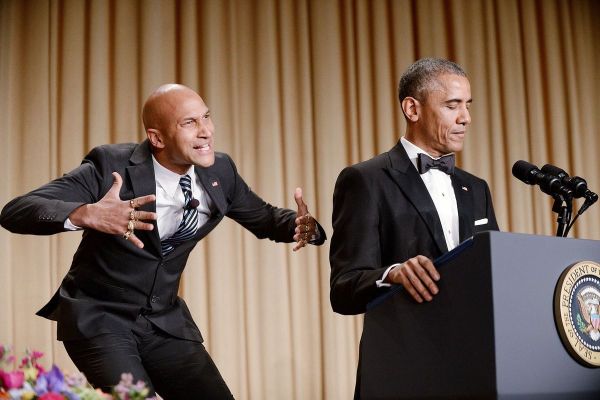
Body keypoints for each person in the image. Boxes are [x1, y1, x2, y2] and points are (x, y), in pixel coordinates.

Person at [0, 84, 326, 399]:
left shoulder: (220, 171)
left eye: (206, 117)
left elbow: (266, 218)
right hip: (101, 318)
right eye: (189, 123)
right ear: (157, 137)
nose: (206, 131)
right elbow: (17, 211)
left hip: (164, 322)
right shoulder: (111, 166)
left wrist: (303, 227)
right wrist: (87, 214)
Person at [329, 58, 498, 397]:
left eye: (467, 105)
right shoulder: (366, 180)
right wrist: (392, 273)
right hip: (404, 369)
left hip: (474, 367)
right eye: (452, 105)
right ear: (412, 108)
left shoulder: (475, 187)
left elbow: (492, 274)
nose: (466, 117)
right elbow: (343, 288)